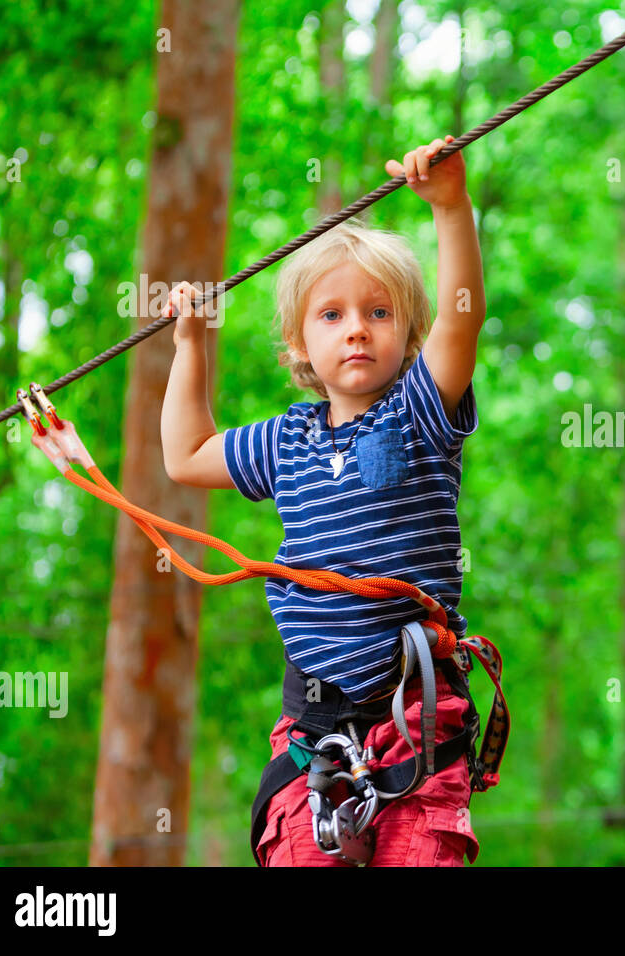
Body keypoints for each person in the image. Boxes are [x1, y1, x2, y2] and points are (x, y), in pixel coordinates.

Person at [159, 136, 487, 866]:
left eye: (377, 312)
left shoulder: (418, 410)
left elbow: (464, 321)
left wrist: (451, 208)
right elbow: (186, 455)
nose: (357, 329)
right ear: (298, 345)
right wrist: (193, 344)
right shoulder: (287, 440)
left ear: (408, 335)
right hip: (315, 719)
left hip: (416, 714)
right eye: (331, 316)